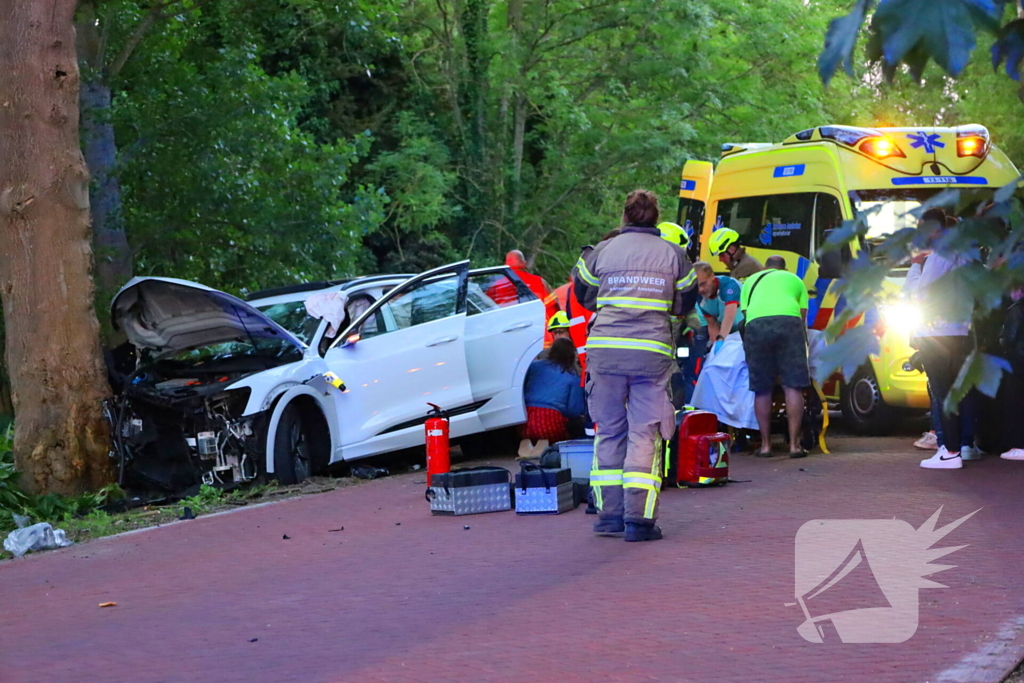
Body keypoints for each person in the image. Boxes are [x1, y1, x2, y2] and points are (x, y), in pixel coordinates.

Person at [574, 189, 698, 542]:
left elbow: (583, 291)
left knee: (609, 430)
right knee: (644, 433)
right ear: (656, 218)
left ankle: (608, 516)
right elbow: (684, 302)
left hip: (606, 351)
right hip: (650, 353)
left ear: (625, 216)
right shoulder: (674, 253)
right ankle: (639, 522)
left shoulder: (604, 250)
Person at [904, 208, 974, 470]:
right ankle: (963, 446)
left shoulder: (937, 256)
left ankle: (950, 451)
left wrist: (914, 266)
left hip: (935, 332)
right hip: (960, 329)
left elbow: (918, 294)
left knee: (942, 391)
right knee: (957, 391)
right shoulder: (963, 253)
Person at [739, 258, 810, 457]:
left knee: (762, 389)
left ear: (765, 268)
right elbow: (802, 316)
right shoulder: (795, 279)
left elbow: (747, 314)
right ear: (784, 268)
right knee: (792, 386)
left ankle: (765, 446)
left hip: (757, 325)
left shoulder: (750, 281)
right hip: (788, 322)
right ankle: (795, 446)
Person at [520, 338, 586, 449]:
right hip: (550, 424)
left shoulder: (534, 366)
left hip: (524, 422)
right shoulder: (573, 377)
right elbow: (574, 411)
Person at [694, 261, 743, 356]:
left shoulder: (729, 285)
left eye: (703, 284)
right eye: (697, 286)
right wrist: (715, 345)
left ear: (712, 276)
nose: (700, 289)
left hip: (744, 328)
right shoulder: (699, 296)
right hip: (726, 331)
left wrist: (720, 339)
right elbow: (712, 324)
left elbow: (729, 316)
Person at [999, 288, 1024, 461]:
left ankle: (1019, 445)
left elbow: (1009, 338)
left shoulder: (1017, 308)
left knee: (1016, 402)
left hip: (1019, 358)